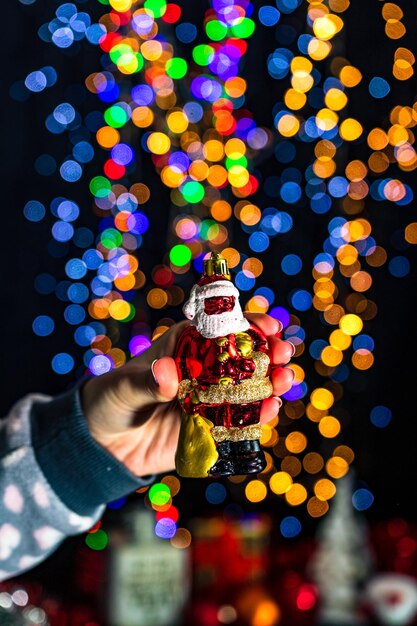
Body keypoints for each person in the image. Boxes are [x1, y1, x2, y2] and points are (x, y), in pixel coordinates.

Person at [0, 312, 294, 581]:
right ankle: (229, 456)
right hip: (209, 402)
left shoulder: (246, 337)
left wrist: (79, 450)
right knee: (222, 432)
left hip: (235, 403)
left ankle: (244, 454)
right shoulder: (198, 342)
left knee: (242, 432)